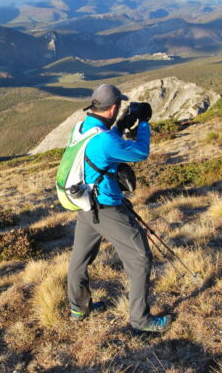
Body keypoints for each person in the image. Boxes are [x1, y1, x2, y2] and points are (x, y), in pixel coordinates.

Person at [67, 84, 171, 333]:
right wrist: (143, 122)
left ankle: (79, 309)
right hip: (106, 208)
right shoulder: (105, 140)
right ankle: (140, 320)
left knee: (80, 259)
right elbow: (140, 152)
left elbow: (105, 143)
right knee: (140, 258)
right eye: (120, 107)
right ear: (113, 107)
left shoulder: (81, 128)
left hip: (84, 203)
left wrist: (121, 125)